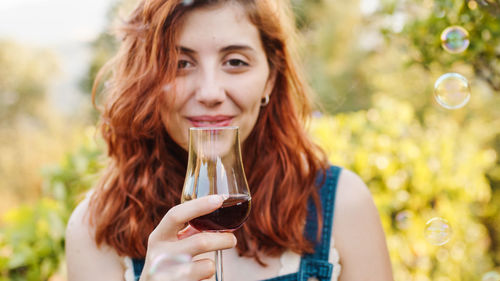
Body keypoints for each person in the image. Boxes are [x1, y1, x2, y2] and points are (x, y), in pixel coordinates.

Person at [65, 0, 394, 280]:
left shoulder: (343, 204)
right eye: (180, 64)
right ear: (147, 80)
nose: (210, 93)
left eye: (235, 62)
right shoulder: (94, 231)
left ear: (270, 79)